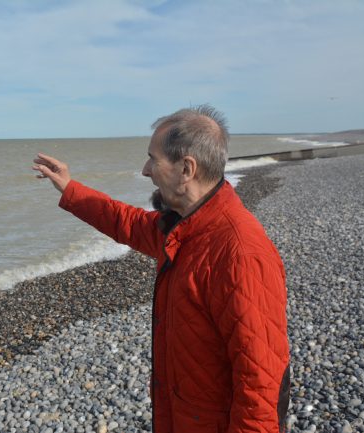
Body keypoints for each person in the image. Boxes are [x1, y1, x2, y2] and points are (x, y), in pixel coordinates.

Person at [32, 105, 290, 433]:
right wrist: (70, 188)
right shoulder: (185, 226)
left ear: (186, 169)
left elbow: (260, 385)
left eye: (153, 159)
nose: (145, 171)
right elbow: (126, 222)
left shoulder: (239, 252)